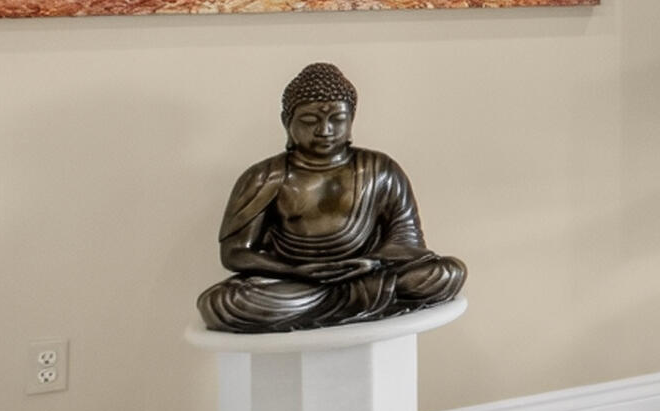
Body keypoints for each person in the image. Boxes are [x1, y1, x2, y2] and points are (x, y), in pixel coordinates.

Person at [196, 62, 467, 332]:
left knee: (447, 272)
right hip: (298, 283)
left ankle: (333, 308)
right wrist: (295, 270)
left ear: (351, 119)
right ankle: (353, 308)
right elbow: (235, 254)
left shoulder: (381, 169)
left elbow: (408, 242)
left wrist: (372, 262)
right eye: (310, 120)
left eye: (336, 119)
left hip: (368, 276)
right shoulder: (265, 177)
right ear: (286, 121)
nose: (324, 130)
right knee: (223, 303)